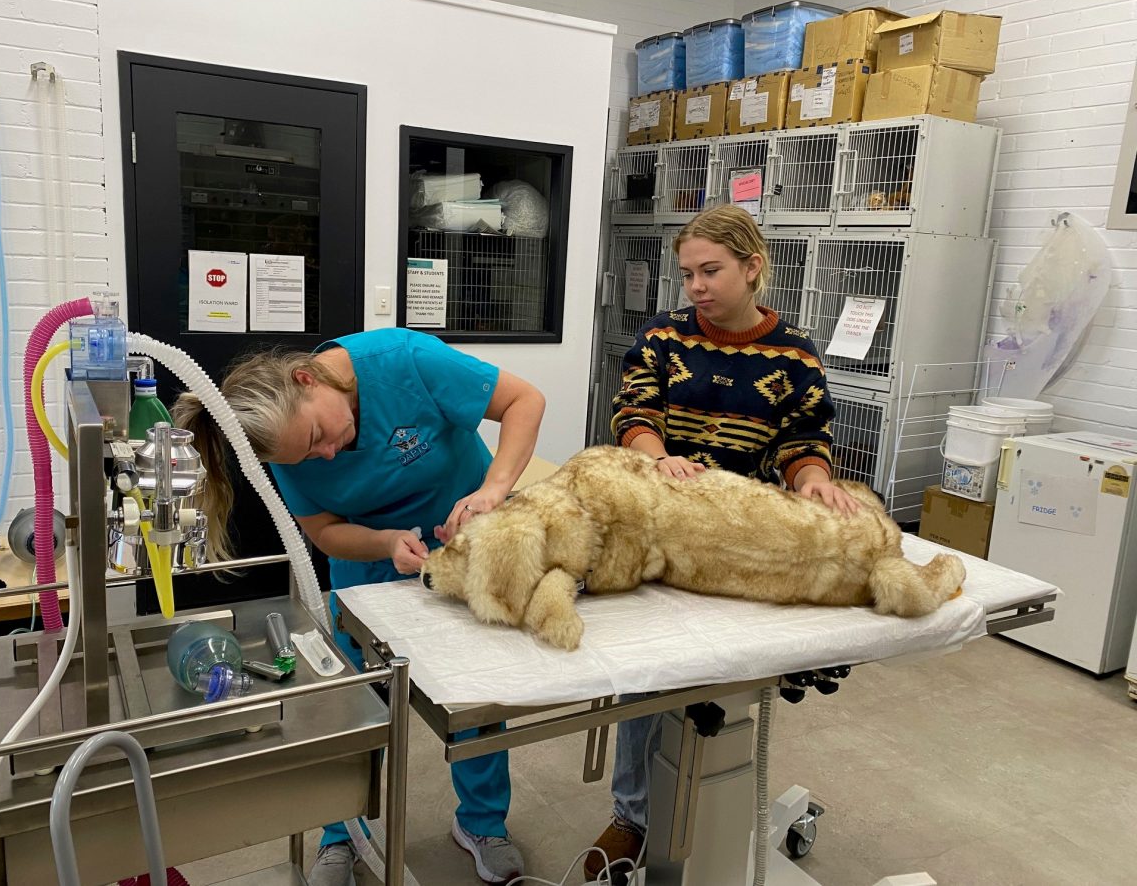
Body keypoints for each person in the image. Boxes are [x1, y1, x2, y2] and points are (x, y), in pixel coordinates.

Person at [173, 327, 545, 886]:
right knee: (352, 707)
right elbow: (322, 531)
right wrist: (385, 543)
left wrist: (493, 490)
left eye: (322, 433)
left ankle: (482, 823)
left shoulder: (404, 361)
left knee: (475, 695)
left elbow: (524, 401)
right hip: (370, 566)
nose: (327, 453)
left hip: (466, 543)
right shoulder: (287, 441)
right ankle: (340, 833)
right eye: (310, 453)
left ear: (306, 378)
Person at [586, 205, 859, 880]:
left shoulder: (795, 352)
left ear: (752, 267)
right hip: (662, 529)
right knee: (646, 682)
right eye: (688, 274)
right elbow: (635, 411)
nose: (697, 286)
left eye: (711, 271)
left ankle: (711, 807)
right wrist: (655, 457)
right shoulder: (663, 338)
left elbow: (804, 437)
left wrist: (816, 480)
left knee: (727, 680)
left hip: (740, 539)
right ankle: (632, 817)